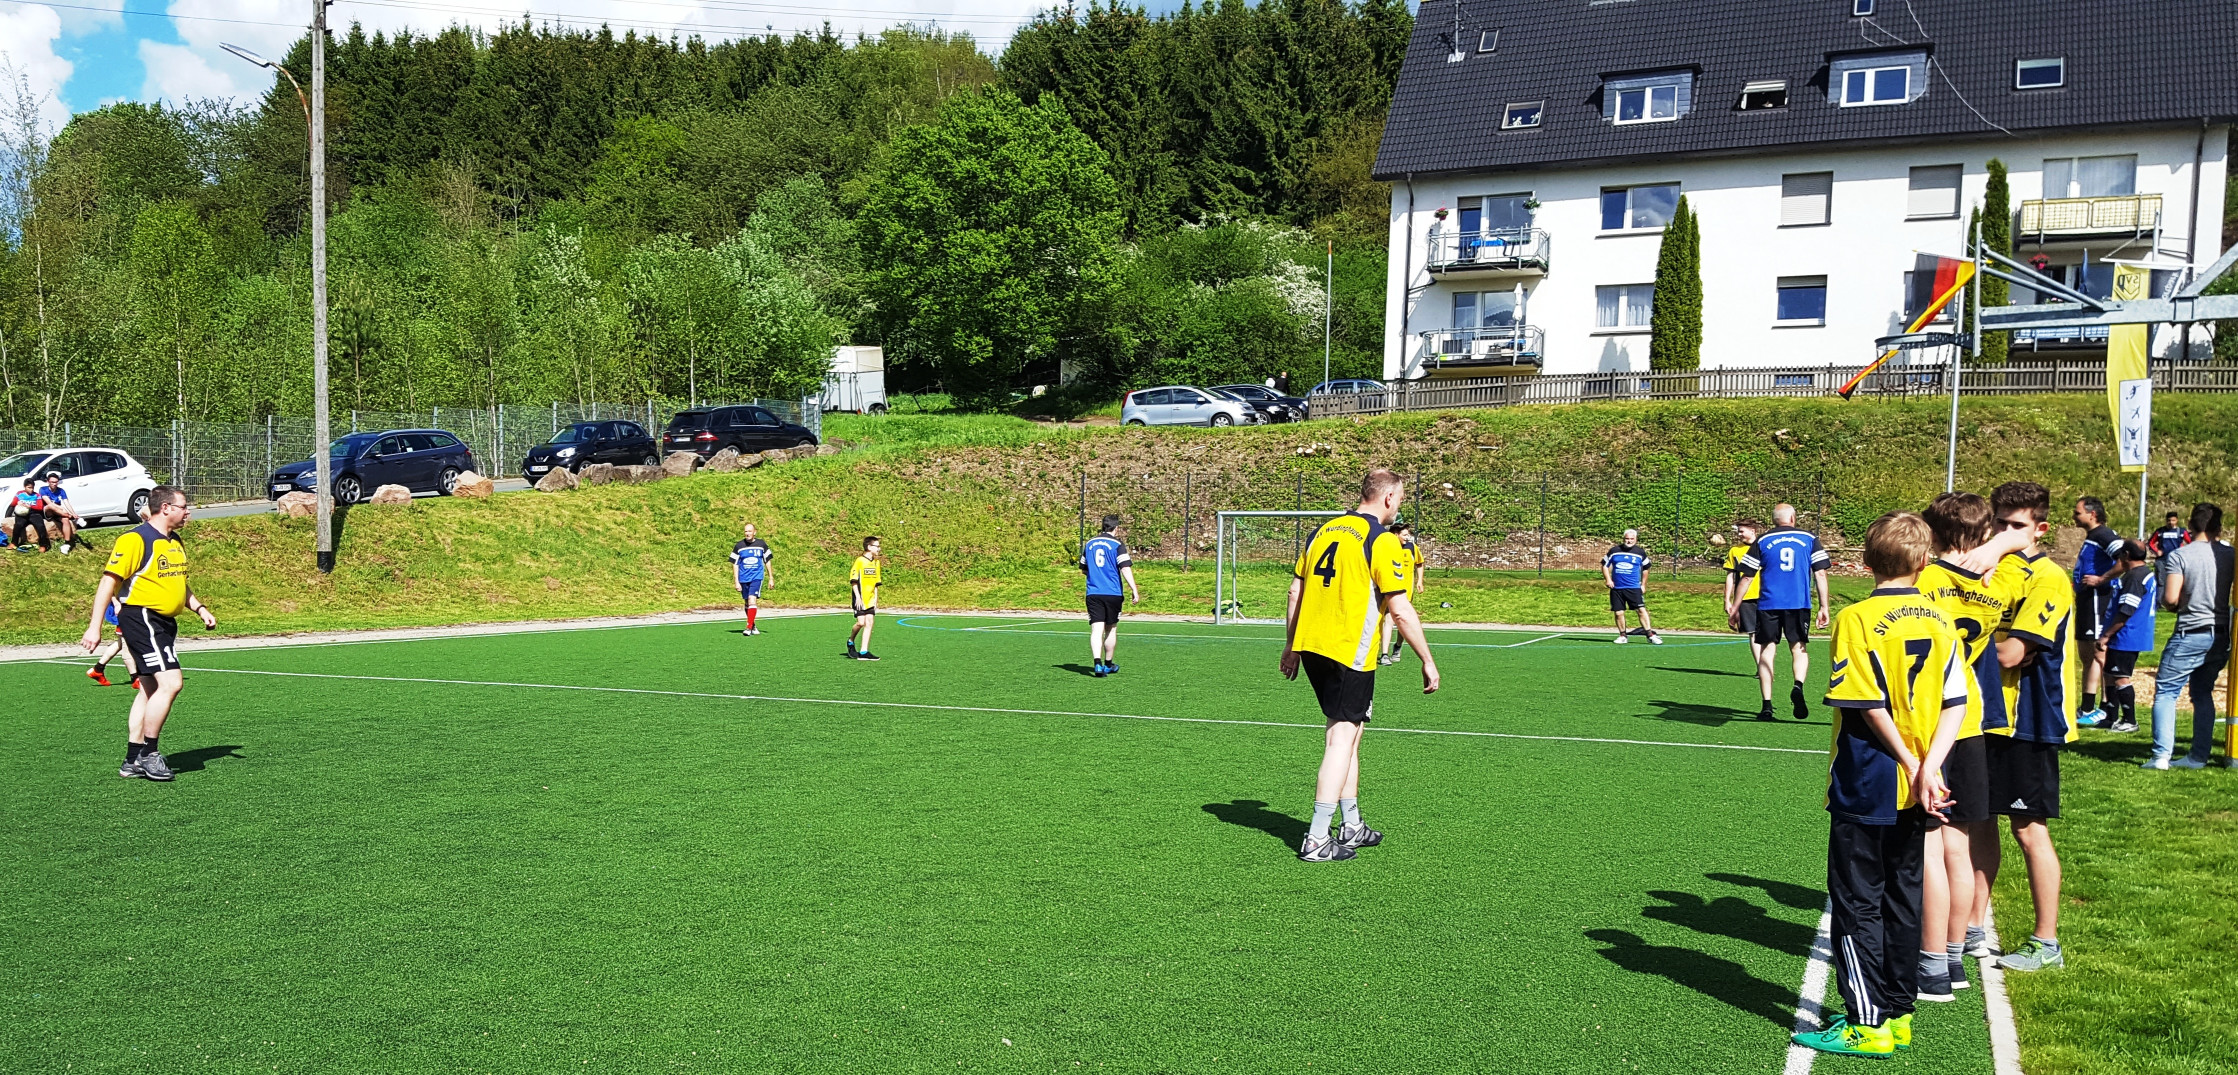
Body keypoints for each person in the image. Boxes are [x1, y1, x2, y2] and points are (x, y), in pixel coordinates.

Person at [1790, 511, 1965, 1059]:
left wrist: (1909, 762)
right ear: (1924, 561)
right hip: (1923, 782)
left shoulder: (1857, 618)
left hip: (1870, 776)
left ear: (1866, 561)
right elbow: (1957, 702)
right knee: (1902, 894)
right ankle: (1897, 1010)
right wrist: (1930, 766)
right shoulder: (1939, 617)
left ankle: (1867, 1022)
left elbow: (1866, 703)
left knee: (1856, 899)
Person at [1281, 469, 1440, 863]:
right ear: (1388, 498)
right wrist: (1427, 659)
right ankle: (1317, 838)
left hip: (1313, 645)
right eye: (1399, 498)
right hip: (1349, 650)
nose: (1398, 505)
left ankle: (1351, 824)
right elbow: (1400, 610)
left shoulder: (1322, 531)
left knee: (1350, 734)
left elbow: (1295, 589)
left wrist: (1290, 645)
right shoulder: (1380, 539)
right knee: (1340, 738)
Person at [1912, 492, 2027, 1002]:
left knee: (1928, 847)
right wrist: (1998, 548)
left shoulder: (1926, 579)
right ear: (1983, 533)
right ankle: (1955, 955)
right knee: (1958, 847)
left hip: (1930, 719)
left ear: (1934, 534)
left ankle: (1931, 961)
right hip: (1971, 719)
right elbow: (2022, 542)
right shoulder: (1999, 582)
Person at [1974, 481, 2078, 974]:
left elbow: (2012, 652)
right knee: (1977, 820)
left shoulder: (2049, 578)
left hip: (2029, 719)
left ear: (2041, 529)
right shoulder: (1993, 568)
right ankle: (1971, 926)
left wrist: (1964, 640)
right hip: (1986, 714)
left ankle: (2046, 941)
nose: (2006, 532)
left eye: (2017, 525)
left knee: (2028, 829)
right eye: (2000, 522)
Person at [80, 486, 216, 782]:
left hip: (163, 622)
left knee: (149, 689)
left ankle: (132, 759)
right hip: (142, 618)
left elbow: (177, 583)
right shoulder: (135, 539)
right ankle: (149, 754)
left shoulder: (174, 541)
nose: (188, 512)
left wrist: (199, 608)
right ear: (166, 508)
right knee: (171, 683)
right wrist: (94, 626)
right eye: (183, 506)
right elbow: (108, 583)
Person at [2147, 503, 2226, 768]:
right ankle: (2198, 756)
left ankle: (2161, 755)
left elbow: (2170, 598)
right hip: (2221, 633)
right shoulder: (2230, 555)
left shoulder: (2180, 555)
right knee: (2203, 693)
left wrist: (2176, 604)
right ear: (2219, 527)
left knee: (2167, 691)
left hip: (2190, 630)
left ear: (2190, 526)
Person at [1738, 502, 1832, 720]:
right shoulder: (1809, 538)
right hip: (1798, 603)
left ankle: (1766, 705)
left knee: (1767, 651)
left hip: (1768, 604)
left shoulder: (1763, 540)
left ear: (1774, 520)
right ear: (1793, 518)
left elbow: (1747, 576)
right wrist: (1824, 606)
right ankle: (1798, 685)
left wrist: (1735, 606)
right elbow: (1820, 574)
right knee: (1798, 649)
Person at [2069, 496, 2125, 724]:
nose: (2074, 516)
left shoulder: (2104, 535)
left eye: (2077, 512)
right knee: (2087, 655)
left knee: (2096, 653)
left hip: (2097, 601)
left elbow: (2125, 559)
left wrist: (2102, 579)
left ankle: (2096, 707)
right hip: (2086, 600)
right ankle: (2094, 706)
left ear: (2092, 514)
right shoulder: (2093, 536)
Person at [2091, 540, 2155, 735]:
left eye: (2120, 554)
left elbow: (2127, 610)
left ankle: (2130, 720)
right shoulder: (2144, 573)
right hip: (2127, 634)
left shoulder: (2134, 577)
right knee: (2110, 674)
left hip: (2127, 634)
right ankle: (2110, 717)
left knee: (2120, 677)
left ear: (2126, 555)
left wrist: (2107, 635)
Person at [1080, 515, 1140, 677]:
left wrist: (1096, 576)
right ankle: (1108, 664)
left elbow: (1084, 568)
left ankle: (1097, 664)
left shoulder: (1090, 543)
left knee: (1096, 629)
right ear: (1116, 528)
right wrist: (1134, 589)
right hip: (1113, 592)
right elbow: (1125, 567)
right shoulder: (1117, 544)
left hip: (1093, 592)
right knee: (1111, 629)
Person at [1724, 520, 1767, 709]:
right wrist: (1728, 600)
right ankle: (1760, 667)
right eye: (1738, 531)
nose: (1739, 534)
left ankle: (1767, 664)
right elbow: (1730, 576)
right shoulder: (1735, 551)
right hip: (1746, 597)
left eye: (1742, 531)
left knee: (1768, 634)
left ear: (1753, 531)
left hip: (1767, 596)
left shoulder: (1765, 547)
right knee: (1753, 633)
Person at [1602, 529, 1662, 645]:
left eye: (1631, 539)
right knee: (1618, 613)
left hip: (1633, 587)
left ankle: (1650, 635)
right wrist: (1608, 579)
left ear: (1636, 539)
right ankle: (1623, 635)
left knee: (1641, 610)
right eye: (1627, 539)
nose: (1629, 541)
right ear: (1623, 539)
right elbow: (1604, 565)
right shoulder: (1614, 551)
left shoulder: (1640, 552)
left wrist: (1643, 584)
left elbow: (1646, 569)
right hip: (1617, 588)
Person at [1381, 522, 1426, 665]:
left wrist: (1419, 581)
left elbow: (1419, 563)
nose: (1407, 537)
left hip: (1406, 593)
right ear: (1396, 535)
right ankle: (1384, 654)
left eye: (1408, 535)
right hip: (1390, 591)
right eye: (1405, 535)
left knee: (1402, 622)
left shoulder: (1411, 548)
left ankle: (1398, 647)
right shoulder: (1386, 548)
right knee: (1389, 620)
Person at [730, 522, 773, 636]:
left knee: (752, 599)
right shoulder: (739, 546)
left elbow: (767, 561)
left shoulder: (761, 544)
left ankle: (748, 628)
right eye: (746, 531)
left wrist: (771, 578)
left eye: (749, 531)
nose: (747, 533)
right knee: (747, 602)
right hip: (743, 578)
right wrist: (736, 581)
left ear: (755, 532)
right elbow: (735, 564)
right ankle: (752, 624)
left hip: (756, 577)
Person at [846, 536, 882, 661]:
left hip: (870, 599)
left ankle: (863, 651)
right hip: (860, 598)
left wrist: (875, 599)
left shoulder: (876, 563)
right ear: (869, 547)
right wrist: (858, 597)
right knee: (861, 623)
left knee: (869, 622)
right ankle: (851, 641)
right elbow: (854, 581)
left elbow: (876, 583)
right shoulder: (860, 561)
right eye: (877, 546)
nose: (879, 549)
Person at [87, 598, 125, 685]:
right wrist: (116, 603)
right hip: (127, 609)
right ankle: (136, 677)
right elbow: (110, 591)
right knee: (127, 643)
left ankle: (98, 669)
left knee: (121, 643)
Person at [40, 471, 78, 553]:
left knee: (65, 520)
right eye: (52, 482)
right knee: (51, 506)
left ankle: (67, 543)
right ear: (48, 482)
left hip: (58, 512)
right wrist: (63, 509)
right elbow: (49, 503)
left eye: (56, 482)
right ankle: (70, 516)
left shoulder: (61, 490)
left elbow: (66, 502)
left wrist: (73, 513)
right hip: (48, 511)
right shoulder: (43, 489)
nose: (54, 484)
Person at [10, 476, 50, 552]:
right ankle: (14, 543)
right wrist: (18, 502)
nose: (31, 490)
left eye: (32, 488)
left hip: (34, 513)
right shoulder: (19, 494)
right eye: (29, 487)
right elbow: (12, 504)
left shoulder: (37, 495)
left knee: (40, 526)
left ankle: (43, 545)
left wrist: (30, 506)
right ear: (24, 487)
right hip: (22, 514)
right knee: (18, 525)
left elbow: (40, 507)